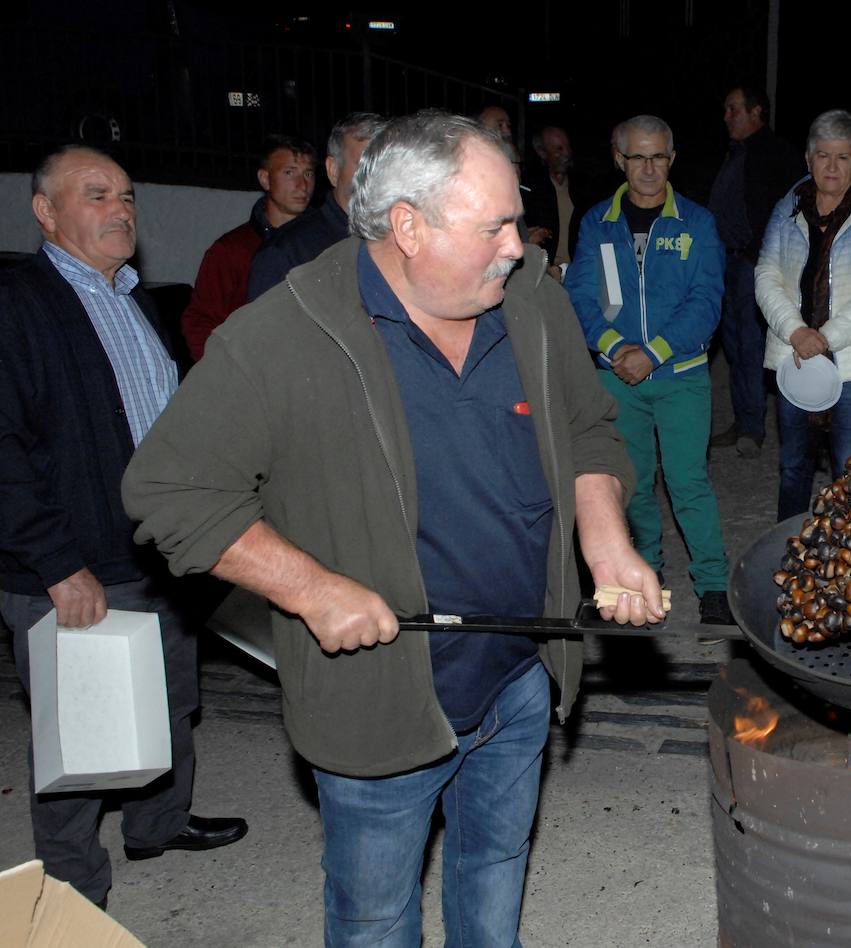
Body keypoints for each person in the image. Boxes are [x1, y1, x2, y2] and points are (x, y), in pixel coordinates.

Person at [123, 113, 661, 943]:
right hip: (379, 704)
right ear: (406, 226)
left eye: (514, 221)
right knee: (375, 921)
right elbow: (169, 490)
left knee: (493, 884)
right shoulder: (280, 337)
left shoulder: (534, 307)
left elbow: (589, 426)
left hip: (520, 677)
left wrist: (605, 537)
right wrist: (310, 588)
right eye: (494, 227)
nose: (517, 246)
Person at [0, 145, 247, 910]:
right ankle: (71, 889)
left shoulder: (137, 299)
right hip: (71, 564)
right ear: (46, 212)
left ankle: (157, 823)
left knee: (170, 702)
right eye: (97, 194)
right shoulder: (20, 303)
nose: (121, 209)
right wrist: (52, 562)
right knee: (80, 740)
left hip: (154, 553)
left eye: (128, 195)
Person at [564, 115, 734, 624]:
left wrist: (654, 352)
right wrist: (618, 349)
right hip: (617, 378)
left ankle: (713, 584)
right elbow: (580, 295)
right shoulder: (598, 222)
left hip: (680, 375)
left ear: (672, 158)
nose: (648, 168)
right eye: (637, 157)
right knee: (629, 483)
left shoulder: (697, 223)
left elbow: (707, 302)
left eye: (658, 156)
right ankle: (643, 574)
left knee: (688, 482)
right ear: (620, 159)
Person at [756, 109, 851, 521]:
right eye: (823, 155)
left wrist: (826, 338)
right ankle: (788, 552)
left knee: (849, 472)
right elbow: (766, 275)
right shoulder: (786, 211)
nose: (832, 166)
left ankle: (846, 563)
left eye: (843, 156)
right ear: (808, 158)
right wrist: (796, 332)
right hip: (793, 354)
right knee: (793, 467)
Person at [708, 86, 806, 457]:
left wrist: (759, 253)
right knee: (733, 345)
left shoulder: (777, 153)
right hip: (728, 261)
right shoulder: (737, 152)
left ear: (756, 112)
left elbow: (791, 210)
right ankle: (744, 418)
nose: (727, 116)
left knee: (751, 344)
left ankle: (753, 428)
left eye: (733, 109)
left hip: (753, 263)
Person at [181, 134, 315, 360]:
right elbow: (200, 321)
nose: (302, 185)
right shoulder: (231, 250)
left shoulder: (325, 243)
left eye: (309, 173)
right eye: (289, 172)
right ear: (265, 179)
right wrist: (225, 371)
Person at [246, 111, 387, 301]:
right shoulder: (286, 254)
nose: (377, 177)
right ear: (333, 170)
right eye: (365, 165)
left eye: (385, 165)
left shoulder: (403, 239)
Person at [522, 126, 593, 273]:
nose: (567, 153)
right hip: (543, 272)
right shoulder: (529, 189)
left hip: (578, 271)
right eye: (559, 149)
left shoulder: (583, 186)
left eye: (567, 146)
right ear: (542, 153)